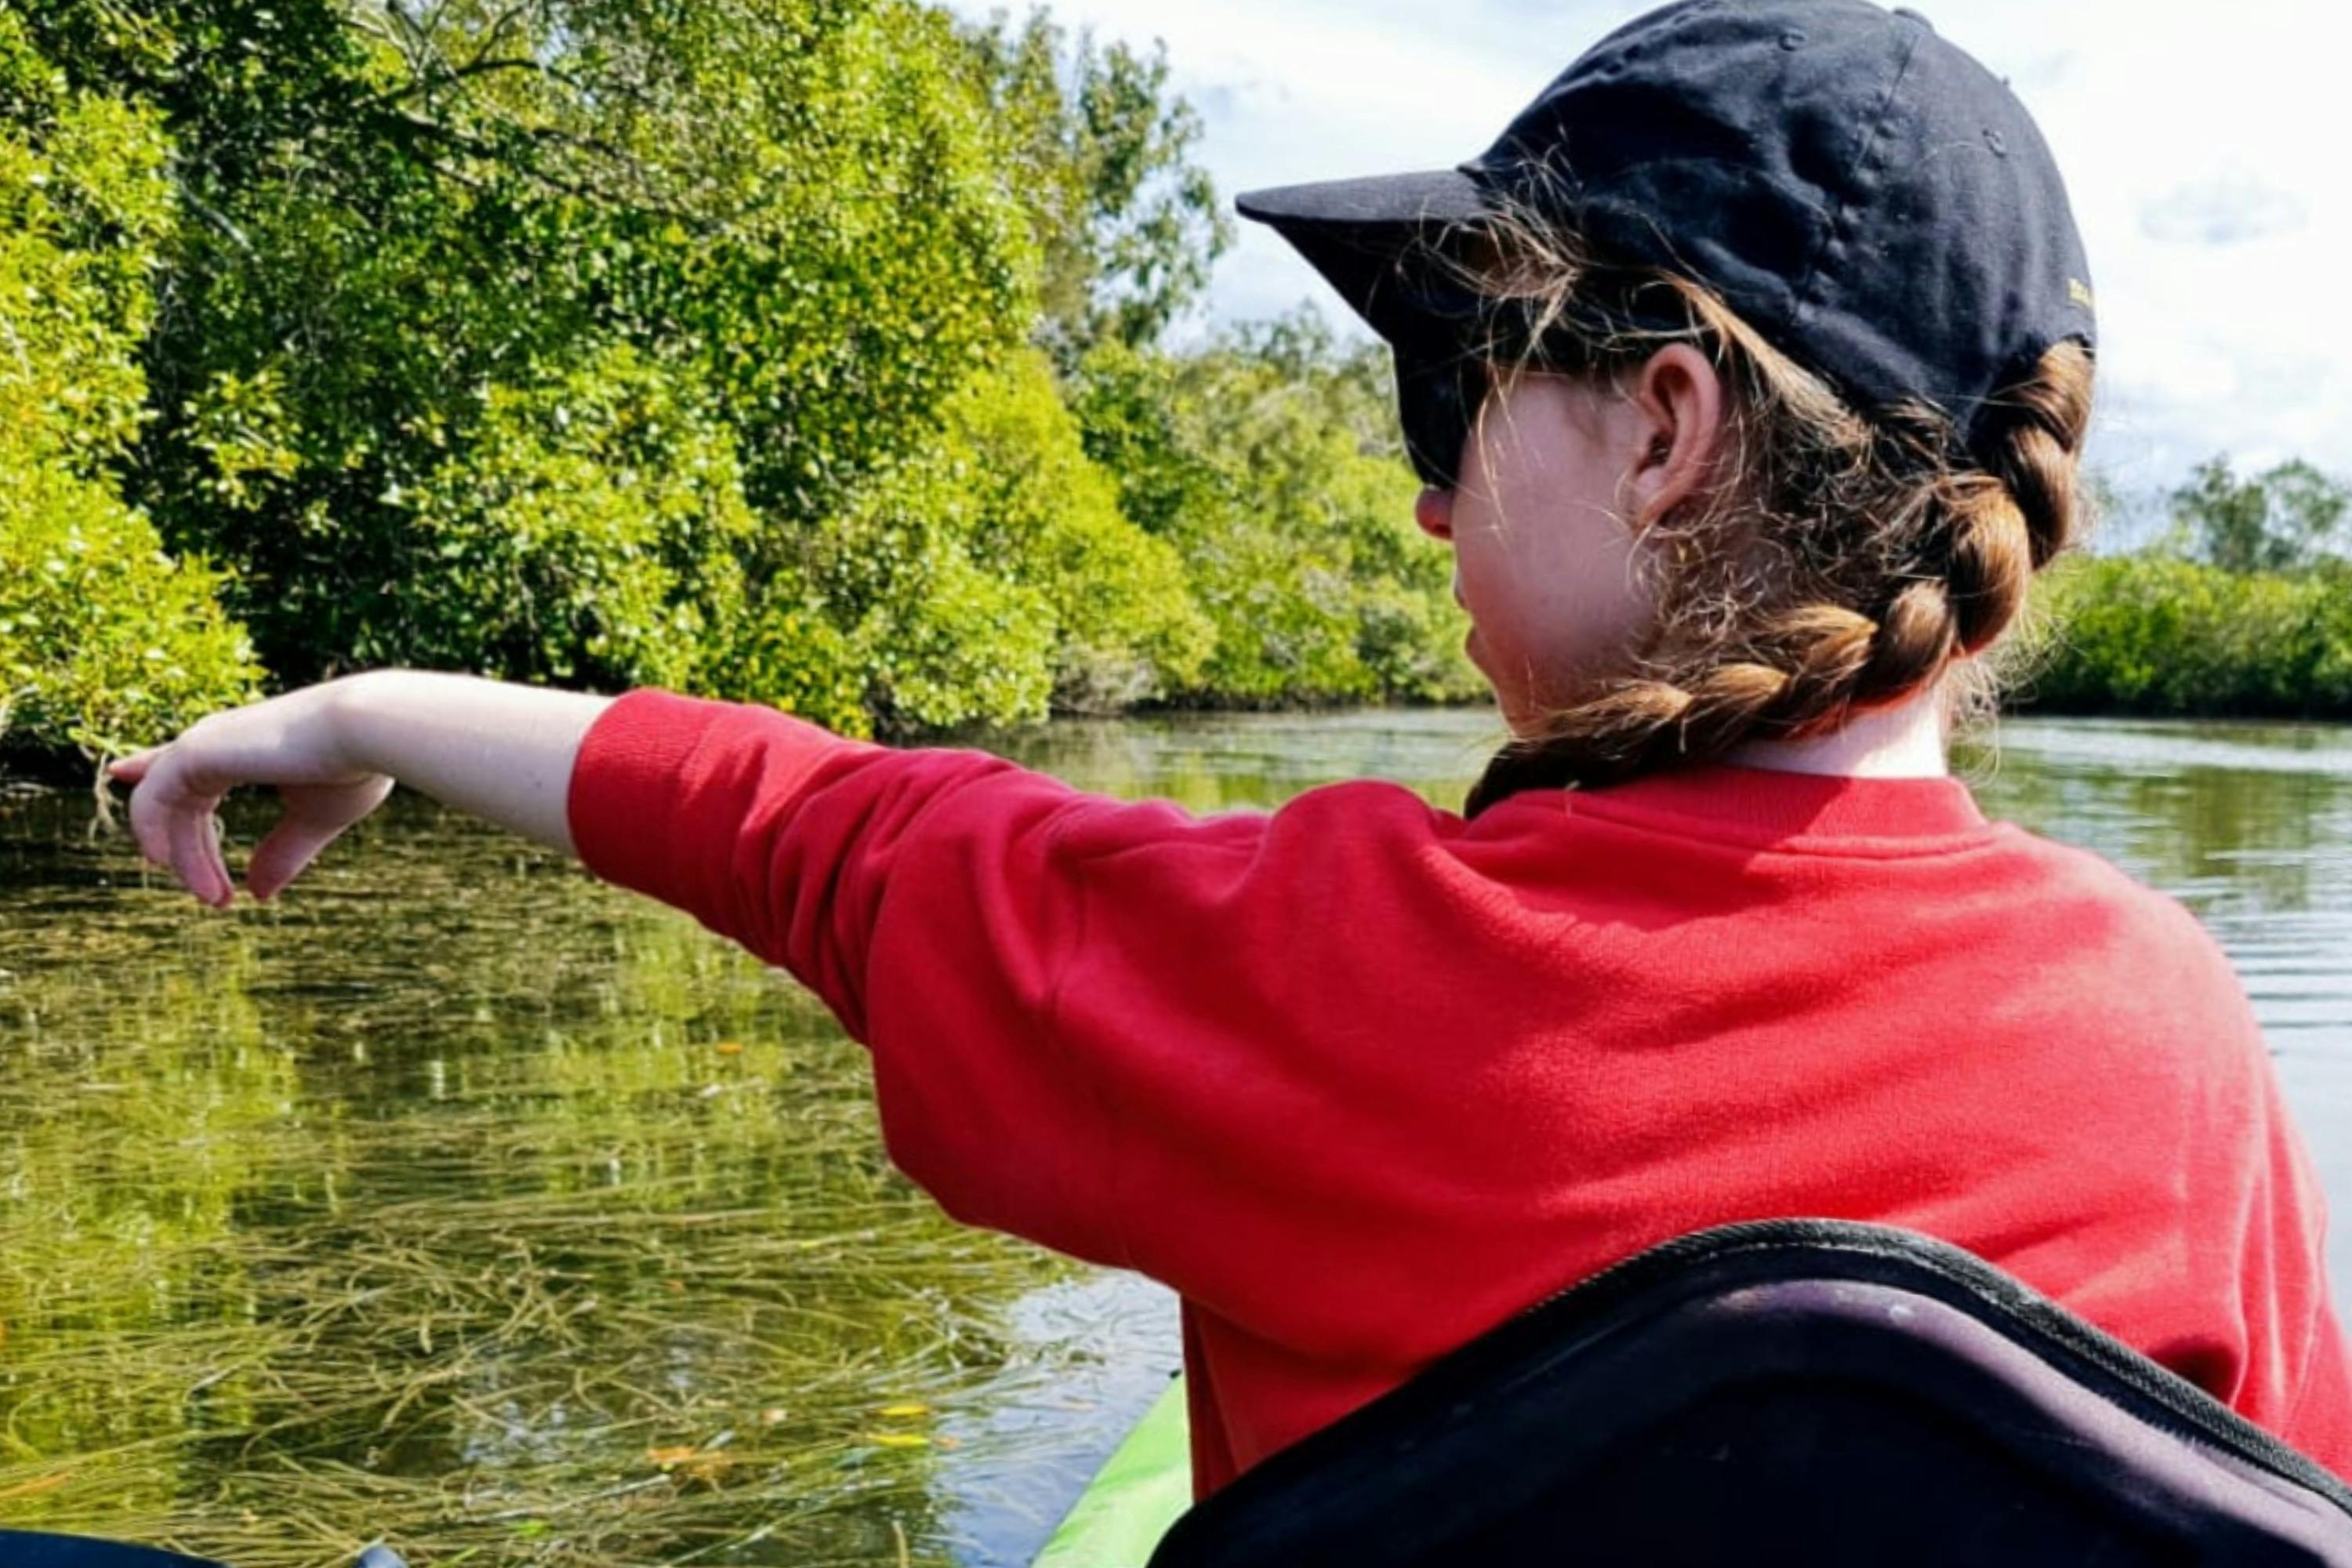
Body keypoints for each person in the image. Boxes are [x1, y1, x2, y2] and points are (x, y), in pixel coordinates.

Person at [109, 0, 2352, 1498]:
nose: (1422, 491)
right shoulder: (2176, 1042)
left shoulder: (1314, 965)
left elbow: (814, 830)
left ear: (1666, 428)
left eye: (1454, 396)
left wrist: (357, 705)